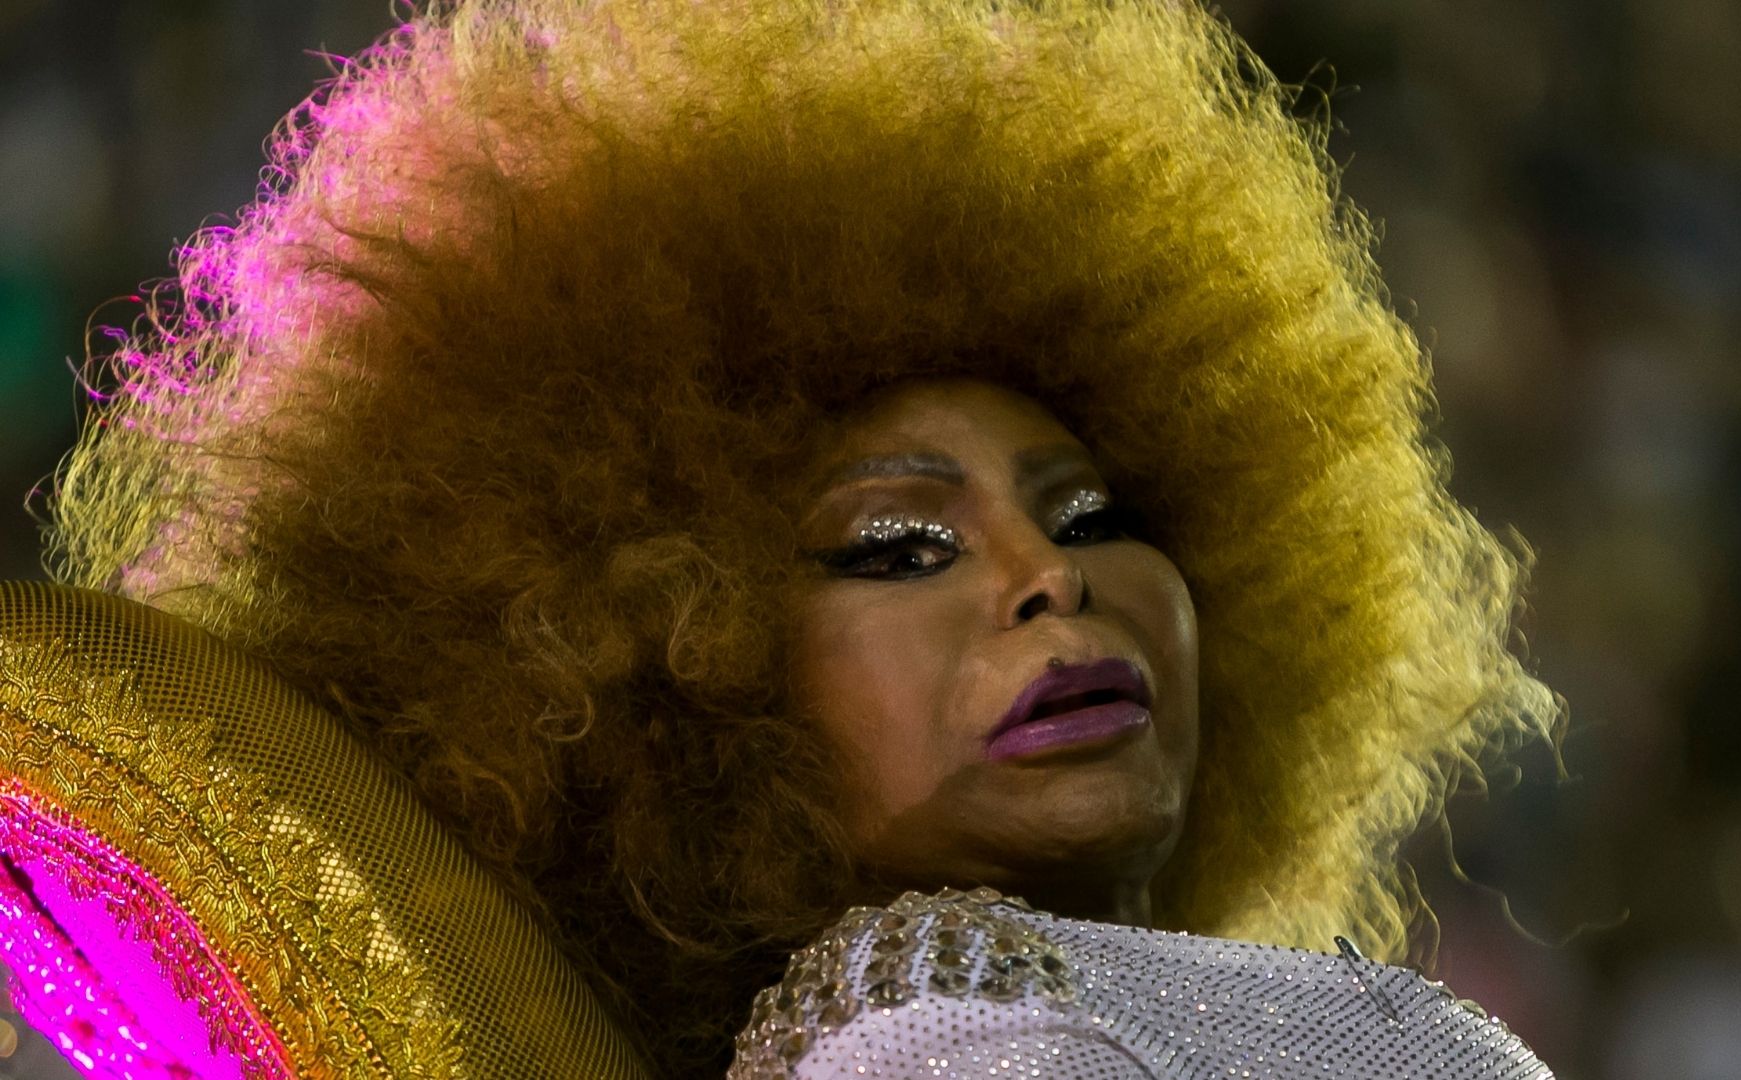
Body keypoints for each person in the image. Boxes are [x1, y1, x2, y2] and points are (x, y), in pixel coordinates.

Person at [41, 0, 1560, 1075]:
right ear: (687, 698)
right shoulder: (948, 1044)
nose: (1053, 580)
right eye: (901, 544)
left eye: (1096, 513)